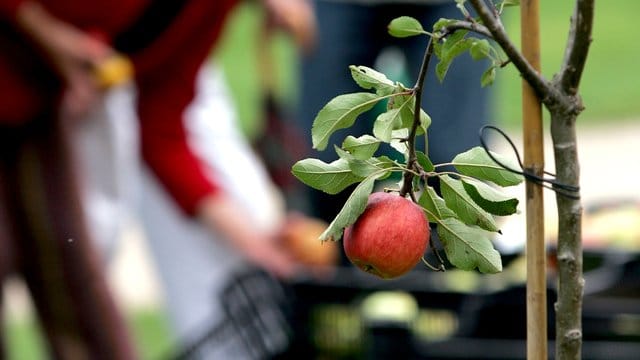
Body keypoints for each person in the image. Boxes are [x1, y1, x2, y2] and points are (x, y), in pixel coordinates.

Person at [0, 1, 143, 358]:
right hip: (23, 77)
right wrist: (48, 32)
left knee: (67, 259)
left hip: (33, 98)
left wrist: (78, 48)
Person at [299, 0, 493, 222]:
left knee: (455, 160)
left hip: (452, 4)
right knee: (329, 159)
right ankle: (332, 250)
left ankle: (457, 248)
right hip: (338, 4)